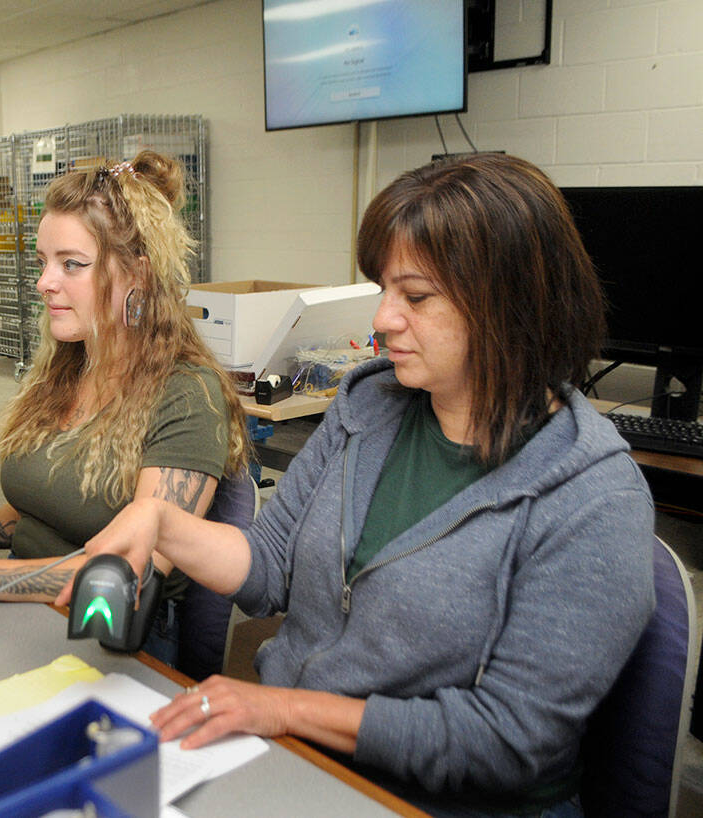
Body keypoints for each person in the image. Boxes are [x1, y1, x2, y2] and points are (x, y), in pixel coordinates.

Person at [66, 153, 656, 817]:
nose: (382, 318)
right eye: (383, 289)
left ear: (511, 303)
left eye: (417, 296)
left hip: (438, 799)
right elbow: (269, 568)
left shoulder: (592, 497)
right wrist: (162, 522)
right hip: (300, 757)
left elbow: (505, 740)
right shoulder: (368, 408)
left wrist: (286, 707)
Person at [0, 150, 250, 668]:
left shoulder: (187, 395)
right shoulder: (66, 365)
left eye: (72, 265)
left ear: (137, 275)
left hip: (115, 639)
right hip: (24, 609)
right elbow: (47, 512)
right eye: (43, 262)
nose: (44, 283)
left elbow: (130, 573)